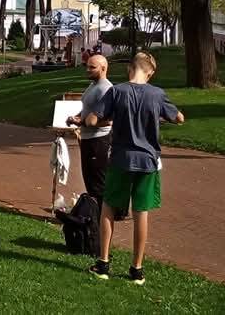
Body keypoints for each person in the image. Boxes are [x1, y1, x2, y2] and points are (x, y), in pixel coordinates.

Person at [86, 52, 185, 285]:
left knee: (108, 208)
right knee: (141, 213)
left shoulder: (117, 91)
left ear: (130, 69)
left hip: (120, 159)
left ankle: (103, 264)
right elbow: (179, 118)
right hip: (148, 161)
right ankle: (137, 269)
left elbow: (91, 121)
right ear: (149, 72)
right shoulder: (157, 94)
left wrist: (109, 120)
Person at [64, 55, 113, 204]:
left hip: (98, 142)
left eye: (92, 67)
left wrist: (84, 123)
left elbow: (108, 121)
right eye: (87, 66)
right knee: (90, 180)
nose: (88, 70)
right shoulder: (93, 85)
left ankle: (99, 217)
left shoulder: (106, 89)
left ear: (103, 68)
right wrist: (77, 117)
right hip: (88, 139)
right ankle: (93, 215)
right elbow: (88, 109)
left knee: (97, 182)